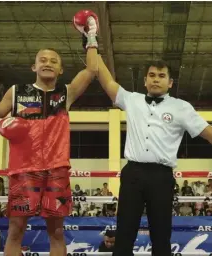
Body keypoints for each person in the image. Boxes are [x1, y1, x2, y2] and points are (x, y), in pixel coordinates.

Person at [73, 21, 212, 255]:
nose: (156, 79)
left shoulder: (181, 107)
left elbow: (209, 133)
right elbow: (103, 77)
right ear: (145, 80)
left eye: (161, 76)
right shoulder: (132, 99)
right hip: (133, 173)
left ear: (170, 82)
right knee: (124, 234)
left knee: (161, 237)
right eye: (151, 75)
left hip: (161, 176)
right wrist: (92, 40)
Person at [0, 10, 99, 256]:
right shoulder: (16, 92)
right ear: (34, 66)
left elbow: (91, 71)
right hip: (24, 170)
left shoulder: (65, 94)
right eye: (43, 60)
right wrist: (0, 125)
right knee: (16, 229)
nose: (48, 63)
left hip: (56, 170)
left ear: (60, 70)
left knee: (56, 232)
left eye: (54, 61)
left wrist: (90, 37)